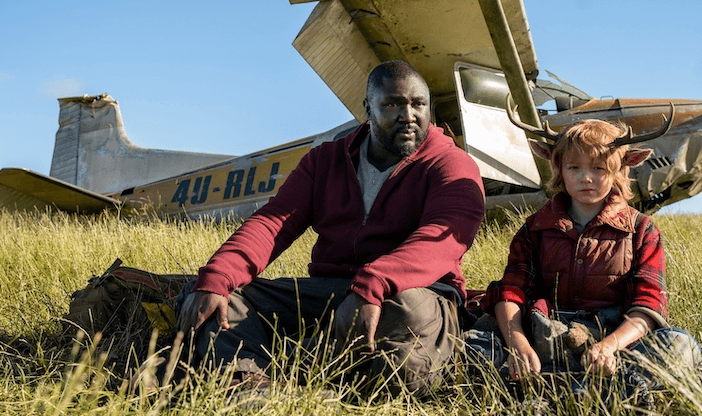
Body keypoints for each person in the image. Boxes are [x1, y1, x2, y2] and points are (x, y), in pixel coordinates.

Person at [171, 60, 486, 397]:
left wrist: (373, 285)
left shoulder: (452, 163)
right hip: (335, 290)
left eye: (418, 104)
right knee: (222, 296)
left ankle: (293, 363)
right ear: (367, 108)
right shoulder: (325, 160)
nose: (408, 116)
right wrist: (218, 276)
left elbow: (442, 239)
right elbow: (273, 222)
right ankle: (252, 386)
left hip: (416, 294)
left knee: (407, 310)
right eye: (392, 104)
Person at [468, 116, 700, 406]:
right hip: (545, 339)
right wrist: (518, 345)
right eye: (574, 167)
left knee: (680, 345)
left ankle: (558, 395)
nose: (586, 177)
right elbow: (512, 290)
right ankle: (601, 395)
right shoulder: (534, 228)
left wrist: (609, 346)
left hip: (613, 346)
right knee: (472, 343)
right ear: (559, 169)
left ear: (619, 170)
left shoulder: (642, 230)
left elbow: (648, 304)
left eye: (599, 168)